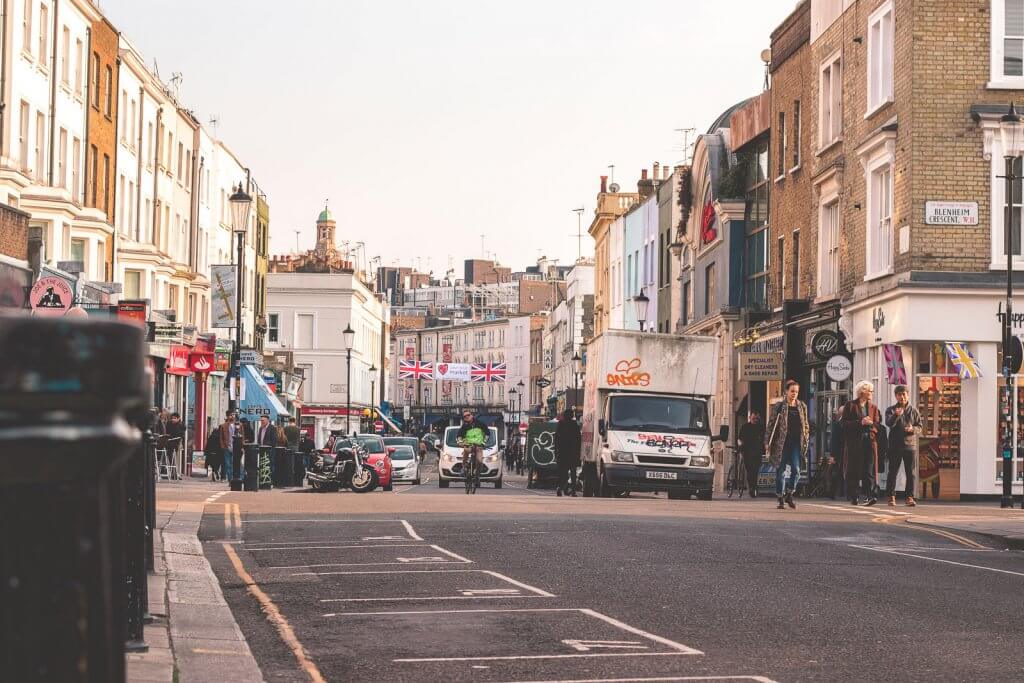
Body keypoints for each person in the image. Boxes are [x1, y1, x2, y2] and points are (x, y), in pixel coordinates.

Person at [765, 379, 809, 510]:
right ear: (786, 392)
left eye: (796, 391)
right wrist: (767, 442)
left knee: (796, 469)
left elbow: (805, 424)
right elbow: (771, 425)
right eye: (792, 391)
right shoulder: (779, 406)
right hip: (781, 443)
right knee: (781, 470)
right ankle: (780, 497)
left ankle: (789, 493)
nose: (794, 394)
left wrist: (806, 436)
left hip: (796, 442)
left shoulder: (802, 406)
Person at [842, 380, 883, 506]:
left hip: (870, 442)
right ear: (862, 392)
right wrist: (860, 422)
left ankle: (869, 495)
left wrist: (871, 424)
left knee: (869, 469)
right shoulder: (850, 405)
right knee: (854, 469)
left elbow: (878, 425)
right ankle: (854, 496)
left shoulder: (873, 407)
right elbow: (844, 424)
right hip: (855, 443)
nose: (872, 393)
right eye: (870, 391)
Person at [884, 385, 922, 507]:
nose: (902, 397)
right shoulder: (890, 410)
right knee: (892, 472)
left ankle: (909, 497)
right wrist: (896, 415)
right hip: (895, 445)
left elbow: (920, 427)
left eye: (904, 394)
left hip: (910, 445)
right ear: (896, 396)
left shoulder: (914, 410)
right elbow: (889, 423)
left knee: (910, 473)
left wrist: (913, 429)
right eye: (899, 395)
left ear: (908, 395)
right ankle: (891, 497)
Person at [737, 411, 765, 498]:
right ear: (750, 418)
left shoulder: (761, 427)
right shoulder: (745, 427)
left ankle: (754, 487)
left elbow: (764, 439)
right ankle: (752, 488)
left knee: (756, 471)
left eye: (757, 418)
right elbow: (739, 438)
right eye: (754, 418)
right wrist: (740, 444)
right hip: (747, 451)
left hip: (757, 451)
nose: (755, 420)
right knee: (750, 470)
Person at [554, 409, 582, 497]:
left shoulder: (560, 424)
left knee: (562, 472)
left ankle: (560, 487)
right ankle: (573, 491)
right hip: (572, 452)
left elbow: (556, 439)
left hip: (562, 452)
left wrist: (556, 450)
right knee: (573, 472)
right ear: (571, 415)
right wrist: (578, 451)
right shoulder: (574, 425)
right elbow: (578, 439)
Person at [456, 410, 488, 479]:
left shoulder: (480, 423)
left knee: (479, 461)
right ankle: (464, 467)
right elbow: (459, 436)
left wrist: (483, 443)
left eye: (468, 415)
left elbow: (487, 433)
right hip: (469, 445)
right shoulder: (464, 426)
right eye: (465, 416)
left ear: (472, 415)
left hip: (478, 446)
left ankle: (477, 476)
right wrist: (460, 442)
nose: (467, 417)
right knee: (466, 449)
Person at [829, 409, 845, 500]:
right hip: (838, 453)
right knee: (837, 472)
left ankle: (842, 492)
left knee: (844, 472)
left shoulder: (840, 424)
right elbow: (833, 441)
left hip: (846, 452)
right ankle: (833, 492)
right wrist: (832, 455)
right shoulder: (836, 424)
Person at [217, 411, 236, 481]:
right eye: (231, 415)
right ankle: (230, 479)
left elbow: (242, 436)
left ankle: (234, 477)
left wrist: (241, 447)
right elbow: (221, 438)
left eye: (233, 415)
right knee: (227, 464)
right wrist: (222, 446)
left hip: (235, 447)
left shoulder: (238, 425)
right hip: (226, 447)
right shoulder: (223, 426)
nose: (232, 416)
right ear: (227, 416)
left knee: (234, 463)